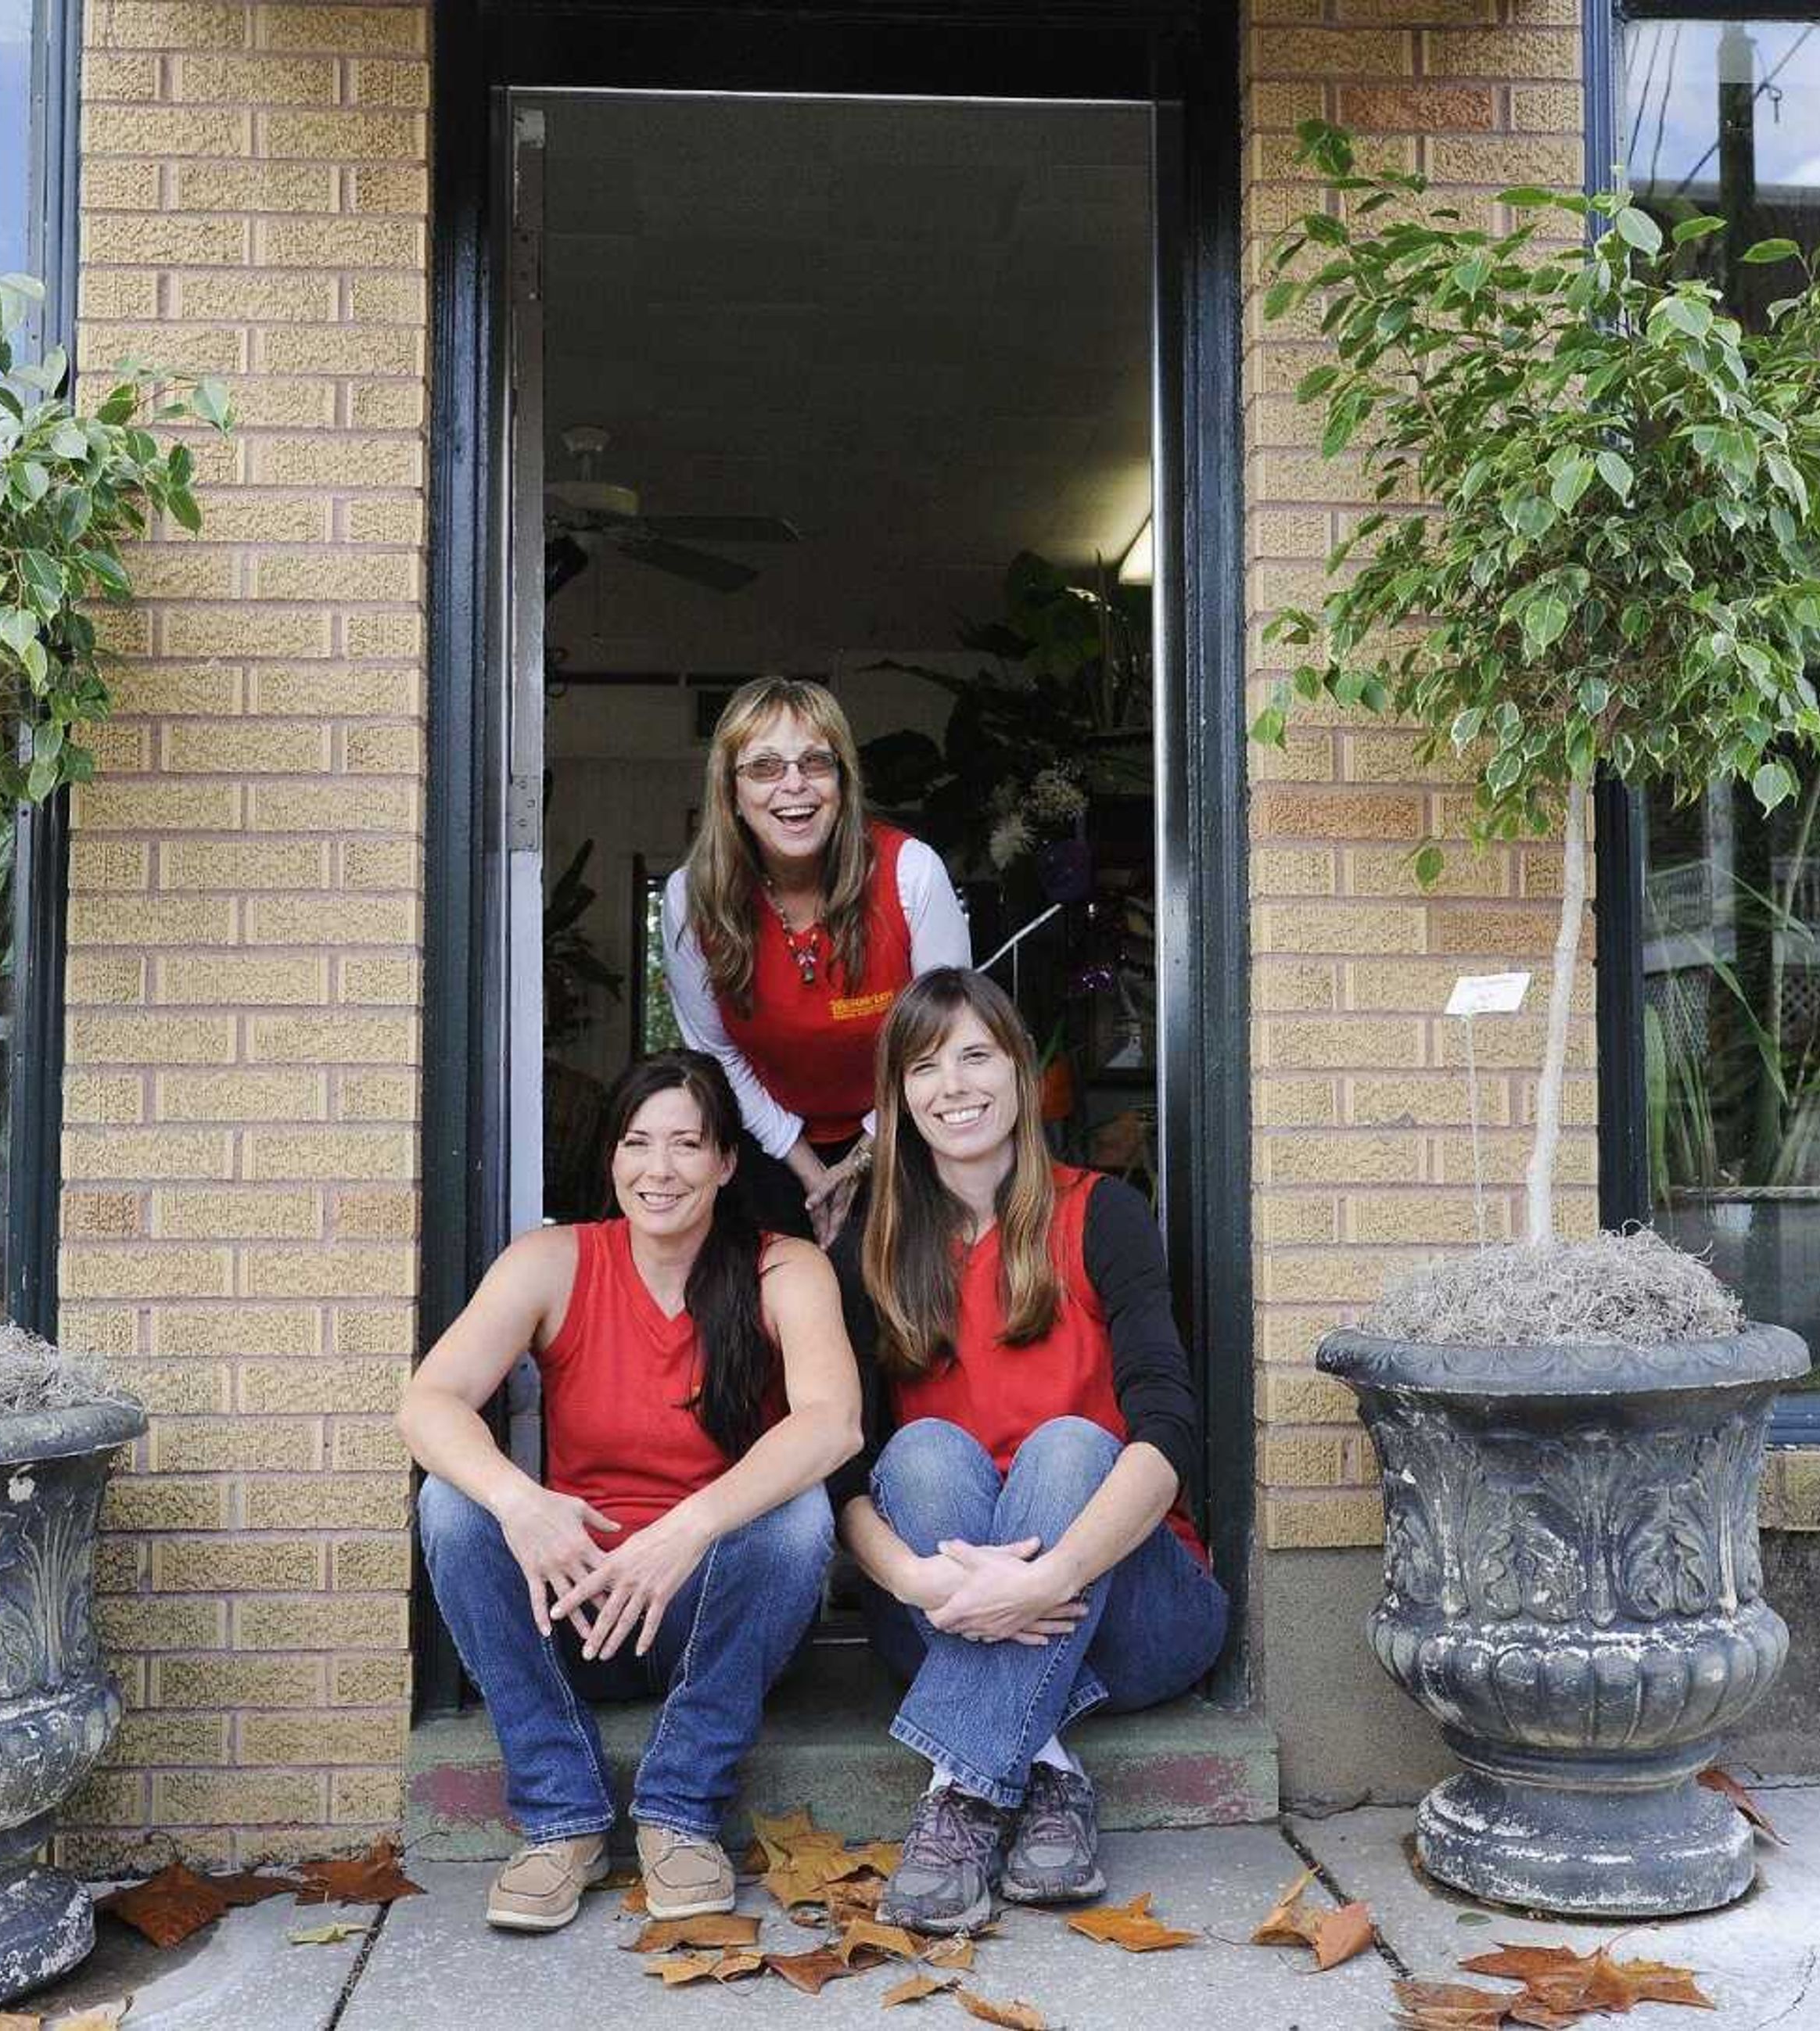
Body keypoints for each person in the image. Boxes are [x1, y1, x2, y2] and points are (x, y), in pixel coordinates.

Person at [400, 1050, 863, 1933]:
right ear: (611, 1155)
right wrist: (520, 1500)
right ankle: (560, 1817)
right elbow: (427, 1402)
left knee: (800, 1516)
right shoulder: (552, 1259)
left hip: (712, 1613)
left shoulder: (784, 1266)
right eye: (638, 1142)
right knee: (452, 1505)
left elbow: (832, 1423)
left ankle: (682, 1806)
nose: (660, 1169)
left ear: (728, 1161)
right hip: (578, 1606)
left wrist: (687, 1529)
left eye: (688, 1144)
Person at [832, 968, 1226, 1934]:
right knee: (920, 1449)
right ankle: (1046, 1777)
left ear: (1021, 1072)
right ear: (898, 1095)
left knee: (1069, 1445)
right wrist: (919, 1584)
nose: (954, 1085)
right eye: (925, 1065)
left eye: (976, 1054)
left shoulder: (1104, 1214)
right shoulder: (872, 1247)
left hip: (1133, 1602)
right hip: (947, 1606)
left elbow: (1170, 1428)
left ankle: (960, 1795)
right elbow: (844, 1471)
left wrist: (1046, 1577)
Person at [663, 676, 970, 1247]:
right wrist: (808, 1167)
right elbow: (715, 1052)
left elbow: (944, 1040)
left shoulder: (912, 872)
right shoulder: (691, 896)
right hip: (767, 1138)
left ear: (843, 780)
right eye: (765, 767)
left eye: (815, 762)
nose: (794, 785)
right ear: (731, 791)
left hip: (907, 1125)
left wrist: (862, 1158)